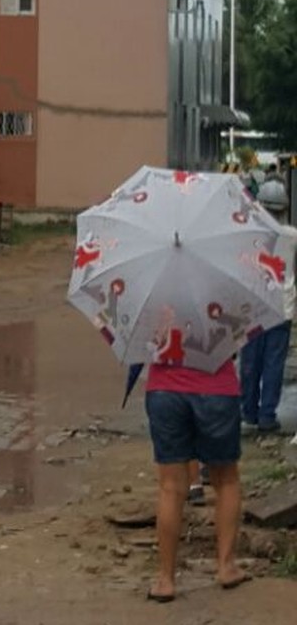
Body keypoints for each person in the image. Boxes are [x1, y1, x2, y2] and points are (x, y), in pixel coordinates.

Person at [144, 327, 247, 601]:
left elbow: (144, 342)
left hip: (164, 390)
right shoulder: (224, 300)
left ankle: (165, 579)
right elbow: (238, 338)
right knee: (226, 480)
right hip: (217, 389)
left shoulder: (154, 303)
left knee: (170, 487)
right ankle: (226, 566)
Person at [240, 181, 296, 433]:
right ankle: (267, 416)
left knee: (250, 361)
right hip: (282, 308)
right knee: (274, 363)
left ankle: (248, 412)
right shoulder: (292, 236)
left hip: (254, 306)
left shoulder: (249, 234)